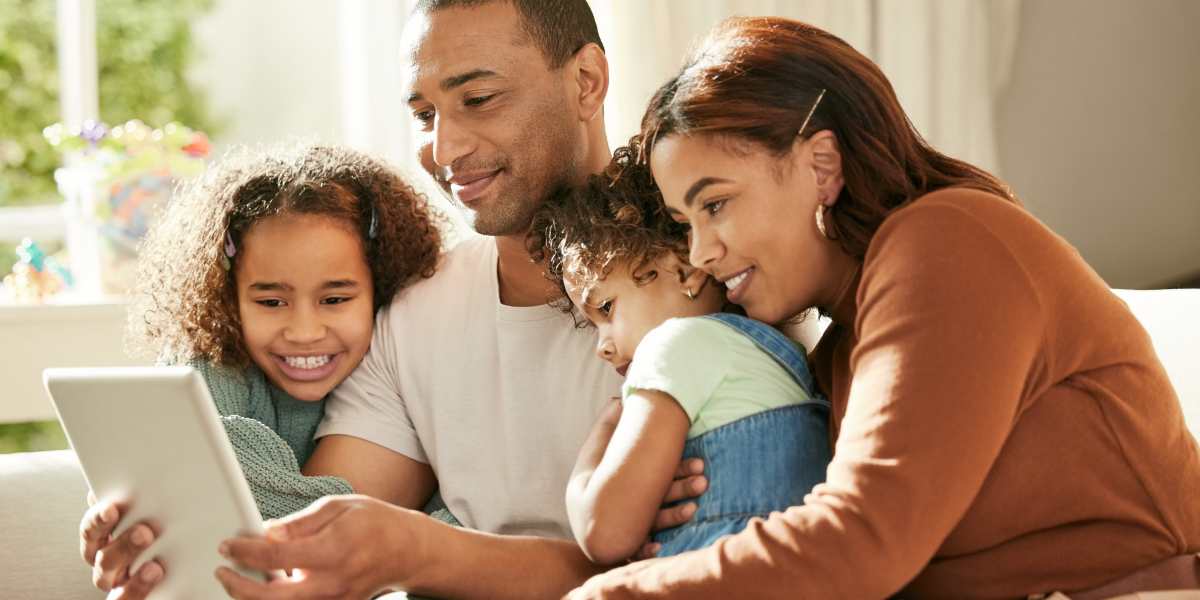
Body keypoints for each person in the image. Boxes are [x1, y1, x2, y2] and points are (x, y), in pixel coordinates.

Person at [80, 2, 707, 599]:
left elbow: (696, 573)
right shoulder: (413, 312)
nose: (446, 148)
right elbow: (322, 537)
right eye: (425, 115)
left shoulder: (696, 286)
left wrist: (420, 552)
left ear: (587, 81)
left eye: (478, 100)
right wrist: (168, 541)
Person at [569, 16, 1200, 599]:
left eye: (715, 205)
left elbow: (860, 542)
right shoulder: (836, 352)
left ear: (822, 165)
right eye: (684, 223)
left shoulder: (947, 242)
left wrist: (614, 595)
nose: (702, 252)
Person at [78, 143, 445, 589]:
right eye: (271, 301)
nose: (304, 331)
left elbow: (211, 486)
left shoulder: (405, 354)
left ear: (380, 285)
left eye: (335, 300)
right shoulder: (211, 360)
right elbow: (206, 465)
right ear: (228, 296)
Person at [529, 141, 832, 565]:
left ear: (684, 271)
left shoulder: (670, 347)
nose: (603, 346)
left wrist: (587, 467)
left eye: (606, 308)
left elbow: (604, 533)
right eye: (592, 325)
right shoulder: (785, 357)